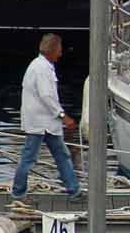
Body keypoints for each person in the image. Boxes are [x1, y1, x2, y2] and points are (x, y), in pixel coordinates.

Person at [13, 32, 80, 197]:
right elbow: (46, 96)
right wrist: (64, 116)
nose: (61, 53)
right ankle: (18, 191)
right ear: (52, 50)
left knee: (61, 155)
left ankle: (73, 189)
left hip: (46, 124)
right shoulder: (42, 69)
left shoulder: (38, 65)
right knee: (29, 158)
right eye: (59, 49)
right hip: (41, 123)